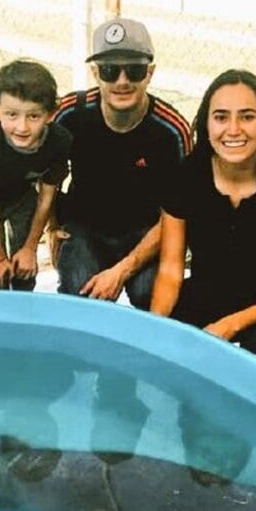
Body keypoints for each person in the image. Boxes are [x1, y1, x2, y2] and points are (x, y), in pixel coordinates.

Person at [151, 69, 256, 373]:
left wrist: (231, 325)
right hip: (209, 292)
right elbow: (170, 268)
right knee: (179, 368)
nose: (233, 129)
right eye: (221, 117)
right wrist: (154, 328)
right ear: (206, 124)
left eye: (246, 117)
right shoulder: (184, 178)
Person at [52, 17, 191, 309]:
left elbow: (176, 214)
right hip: (84, 224)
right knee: (80, 296)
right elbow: (43, 172)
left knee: (153, 296)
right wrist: (52, 225)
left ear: (150, 73)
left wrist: (122, 270)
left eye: (135, 70)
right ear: (95, 73)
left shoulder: (172, 131)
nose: (123, 81)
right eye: (110, 70)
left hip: (146, 230)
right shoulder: (70, 114)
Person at [0, 60, 72, 290]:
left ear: (50, 114)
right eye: (12, 115)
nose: (22, 127)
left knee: (24, 266)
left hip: (22, 192)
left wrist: (31, 248)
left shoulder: (59, 140)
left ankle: (24, 299)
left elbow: (46, 197)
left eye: (33, 116)